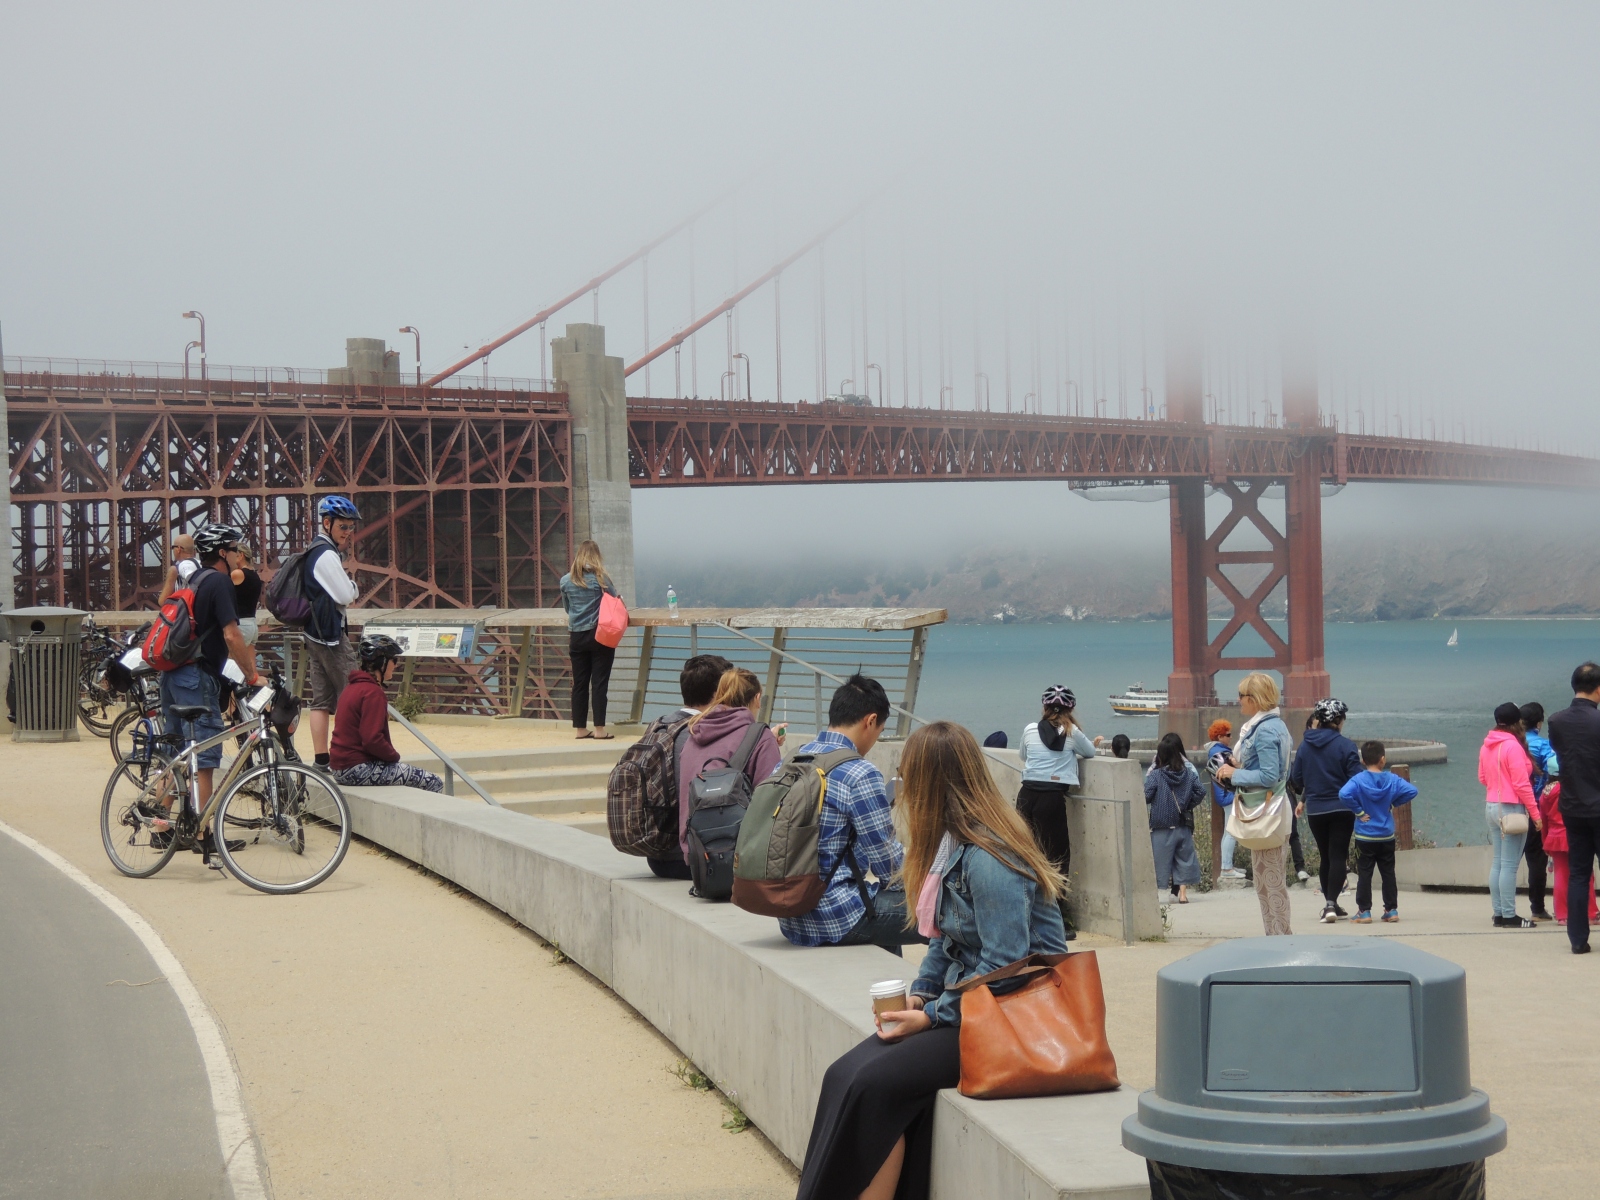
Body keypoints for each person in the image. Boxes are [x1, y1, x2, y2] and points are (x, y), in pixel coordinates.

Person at [794, 721, 1068, 1200]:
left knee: (874, 1086)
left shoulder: (991, 857)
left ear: (929, 785)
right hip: (972, 1010)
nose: (901, 790)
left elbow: (1006, 969)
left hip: (1012, 1020)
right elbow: (944, 942)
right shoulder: (953, 845)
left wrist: (934, 1015)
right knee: (843, 1074)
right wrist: (920, 996)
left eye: (907, 778)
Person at [778, 675, 917, 953]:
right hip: (836, 916)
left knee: (882, 905)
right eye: (879, 731)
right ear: (870, 721)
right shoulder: (859, 772)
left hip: (790, 913)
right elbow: (888, 867)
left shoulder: (790, 761)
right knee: (945, 913)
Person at [153, 523, 260, 862]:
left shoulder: (196, 579)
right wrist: (252, 675)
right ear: (223, 553)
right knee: (204, 759)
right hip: (196, 678)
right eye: (234, 549)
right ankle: (203, 834)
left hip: (173, 674)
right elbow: (231, 634)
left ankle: (160, 827)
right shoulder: (219, 582)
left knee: (176, 752)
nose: (238, 556)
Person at [677, 666, 784, 869]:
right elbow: (771, 803)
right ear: (757, 698)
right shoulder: (760, 738)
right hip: (739, 860)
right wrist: (767, 742)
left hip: (695, 855)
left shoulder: (694, 733)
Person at [1015, 685, 1102, 936]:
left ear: (1044, 707)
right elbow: (1090, 752)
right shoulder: (1072, 731)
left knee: (1024, 855)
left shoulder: (1030, 729)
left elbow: (1023, 755)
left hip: (1026, 795)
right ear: (1070, 709)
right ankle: (1056, 923)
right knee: (1057, 859)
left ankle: (1024, 916)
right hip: (1051, 799)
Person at [1213, 672, 1294, 936]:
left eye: (1242, 695)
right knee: (1265, 881)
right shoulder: (1274, 725)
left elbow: (1270, 776)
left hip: (1266, 810)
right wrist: (1240, 766)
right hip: (1271, 809)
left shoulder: (1265, 730)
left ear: (1255, 698)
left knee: (1270, 882)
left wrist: (1234, 774)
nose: (1238, 700)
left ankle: (1280, 937)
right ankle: (1276, 935)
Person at [646, 653, 733, 881]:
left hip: (656, 855)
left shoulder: (659, 726)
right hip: (691, 859)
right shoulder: (701, 733)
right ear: (719, 693)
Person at [329, 634, 443, 792]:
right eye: (393, 660)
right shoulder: (372, 692)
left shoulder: (351, 687)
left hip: (339, 767)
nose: (395, 665)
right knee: (433, 782)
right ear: (382, 663)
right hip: (356, 768)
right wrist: (393, 757)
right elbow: (372, 739)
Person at [1290, 698, 1364, 923]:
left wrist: (1312, 788)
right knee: (1338, 855)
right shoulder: (1346, 745)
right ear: (1338, 720)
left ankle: (1331, 904)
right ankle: (1331, 904)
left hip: (1316, 810)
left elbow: (1296, 779)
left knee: (1325, 857)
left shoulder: (1304, 746)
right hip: (1342, 808)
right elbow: (1357, 779)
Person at [302, 495, 362, 771]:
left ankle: (322, 760)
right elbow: (345, 595)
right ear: (327, 523)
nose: (348, 532)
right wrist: (353, 587)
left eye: (351, 527)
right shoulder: (326, 554)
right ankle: (348, 758)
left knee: (321, 701)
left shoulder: (314, 549)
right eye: (343, 526)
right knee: (353, 694)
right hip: (330, 636)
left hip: (313, 634)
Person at [1546, 663, 1600, 954]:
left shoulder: (1556, 721)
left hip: (1572, 806)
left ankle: (1578, 940)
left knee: (1578, 873)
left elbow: (1561, 755)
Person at [1337, 740, 1416, 924]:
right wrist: (1393, 803)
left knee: (1365, 873)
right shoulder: (1392, 779)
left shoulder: (1358, 780)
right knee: (1388, 873)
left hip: (1365, 835)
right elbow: (1412, 791)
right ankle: (1391, 909)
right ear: (1383, 759)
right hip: (1386, 835)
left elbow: (1343, 794)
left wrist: (1359, 812)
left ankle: (1364, 911)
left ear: (1363, 761)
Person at [1479, 701, 1542, 930]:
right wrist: (1535, 814)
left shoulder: (1487, 745)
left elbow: (1482, 778)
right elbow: (1522, 784)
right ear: (1518, 722)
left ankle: (1498, 913)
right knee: (1509, 865)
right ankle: (1509, 915)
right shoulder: (1512, 746)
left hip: (1492, 805)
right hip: (1511, 808)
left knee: (1498, 862)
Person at [560, 540, 621, 740]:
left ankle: (580, 729)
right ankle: (599, 730)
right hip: (599, 636)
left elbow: (568, 609)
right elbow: (614, 599)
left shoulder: (565, 581)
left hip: (577, 637)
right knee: (599, 684)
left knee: (579, 684)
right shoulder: (601, 579)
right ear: (597, 557)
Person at [1146, 732, 1205, 903]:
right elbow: (1201, 791)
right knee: (1184, 858)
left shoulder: (1156, 775)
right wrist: (1188, 804)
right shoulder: (1188, 773)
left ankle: (1156, 894)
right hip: (1182, 822)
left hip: (1162, 824)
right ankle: (1183, 895)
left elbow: (1146, 796)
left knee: (1160, 860)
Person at [1538, 782, 1598, 926]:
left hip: (1555, 837)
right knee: (1585, 875)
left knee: (1560, 876)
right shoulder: (1578, 786)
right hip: (1577, 835)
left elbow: (1543, 818)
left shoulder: (1547, 791)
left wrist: (1545, 839)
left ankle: (1562, 915)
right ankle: (1590, 913)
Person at [1520, 702, 1559, 921]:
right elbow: (1555, 770)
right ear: (1539, 723)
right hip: (1536, 808)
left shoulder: (1512, 744)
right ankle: (1537, 908)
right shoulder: (1544, 746)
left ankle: (1502, 909)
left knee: (1506, 862)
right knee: (1537, 860)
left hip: (1511, 807)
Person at [1204, 719, 1243, 879]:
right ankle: (1226, 868)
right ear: (1219, 737)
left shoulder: (1215, 751)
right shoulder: (1221, 754)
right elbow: (1228, 776)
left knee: (1230, 831)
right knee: (1231, 832)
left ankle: (1228, 866)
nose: (1231, 737)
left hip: (1224, 794)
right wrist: (1238, 766)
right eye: (1228, 735)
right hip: (1228, 795)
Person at [231, 544, 263, 646]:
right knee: (250, 657)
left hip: (240, 624)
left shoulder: (238, 574)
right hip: (252, 624)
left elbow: (221, 588)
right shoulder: (255, 575)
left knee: (230, 656)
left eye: (233, 555)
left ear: (241, 555)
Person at [156, 532, 198, 604]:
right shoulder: (202, 566)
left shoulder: (175, 570)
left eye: (173, 547)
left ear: (178, 549)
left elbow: (162, 602)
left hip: (185, 610)